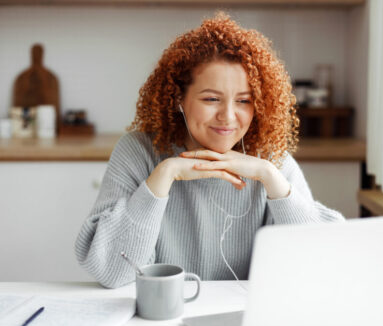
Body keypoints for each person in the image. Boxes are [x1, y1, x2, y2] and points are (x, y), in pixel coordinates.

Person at [74, 12, 345, 289]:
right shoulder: (138, 151)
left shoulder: (270, 159)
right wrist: (163, 176)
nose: (228, 116)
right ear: (179, 98)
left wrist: (270, 176)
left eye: (243, 101)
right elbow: (112, 272)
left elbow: (321, 264)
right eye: (212, 99)